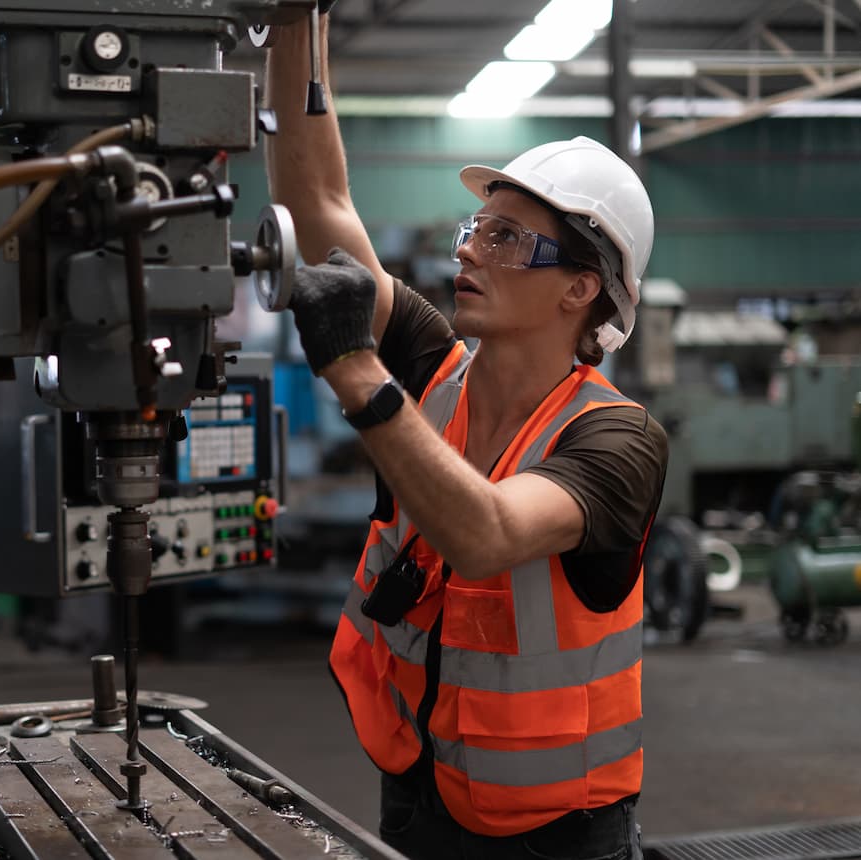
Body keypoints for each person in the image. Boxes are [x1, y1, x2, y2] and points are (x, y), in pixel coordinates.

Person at [266, 8, 668, 860]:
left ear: (580, 291)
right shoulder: (435, 369)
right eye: (474, 230)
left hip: (556, 834)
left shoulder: (617, 441)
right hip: (420, 787)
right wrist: (299, 22)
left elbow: (487, 533)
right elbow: (320, 205)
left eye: (508, 238)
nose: (471, 253)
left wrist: (356, 371)